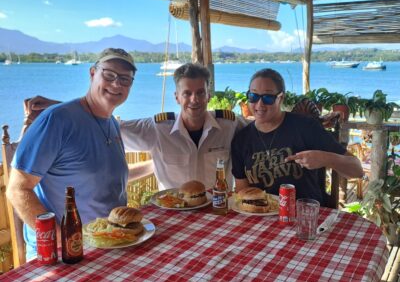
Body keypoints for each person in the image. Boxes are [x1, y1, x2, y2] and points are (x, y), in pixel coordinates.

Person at [6, 48, 153, 260]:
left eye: (125, 79)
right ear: (93, 73)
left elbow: (104, 177)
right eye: (109, 74)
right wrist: (62, 239)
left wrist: (155, 165)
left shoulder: (111, 124)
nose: (116, 84)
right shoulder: (56, 121)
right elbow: (17, 190)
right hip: (65, 255)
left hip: (110, 246)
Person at [24, 63, 245, 191]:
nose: (194, 100)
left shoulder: (229, 124)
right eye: (187, 93)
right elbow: (105, 123)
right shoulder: (158, 128)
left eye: (200, 93)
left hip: (218, 211)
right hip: (175, 216)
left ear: (208, 95)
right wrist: (60, 107)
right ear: (177, 97)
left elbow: (262, 128)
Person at [231, 68, 363, 205]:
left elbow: (357, 170)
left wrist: (325, 158)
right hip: (262, 216)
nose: (259, 104)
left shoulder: (305, 127)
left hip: (305, 214)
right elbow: (242, 192)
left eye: (268, 97)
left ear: (280, 98)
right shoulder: (241, 140)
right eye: (253, 96)